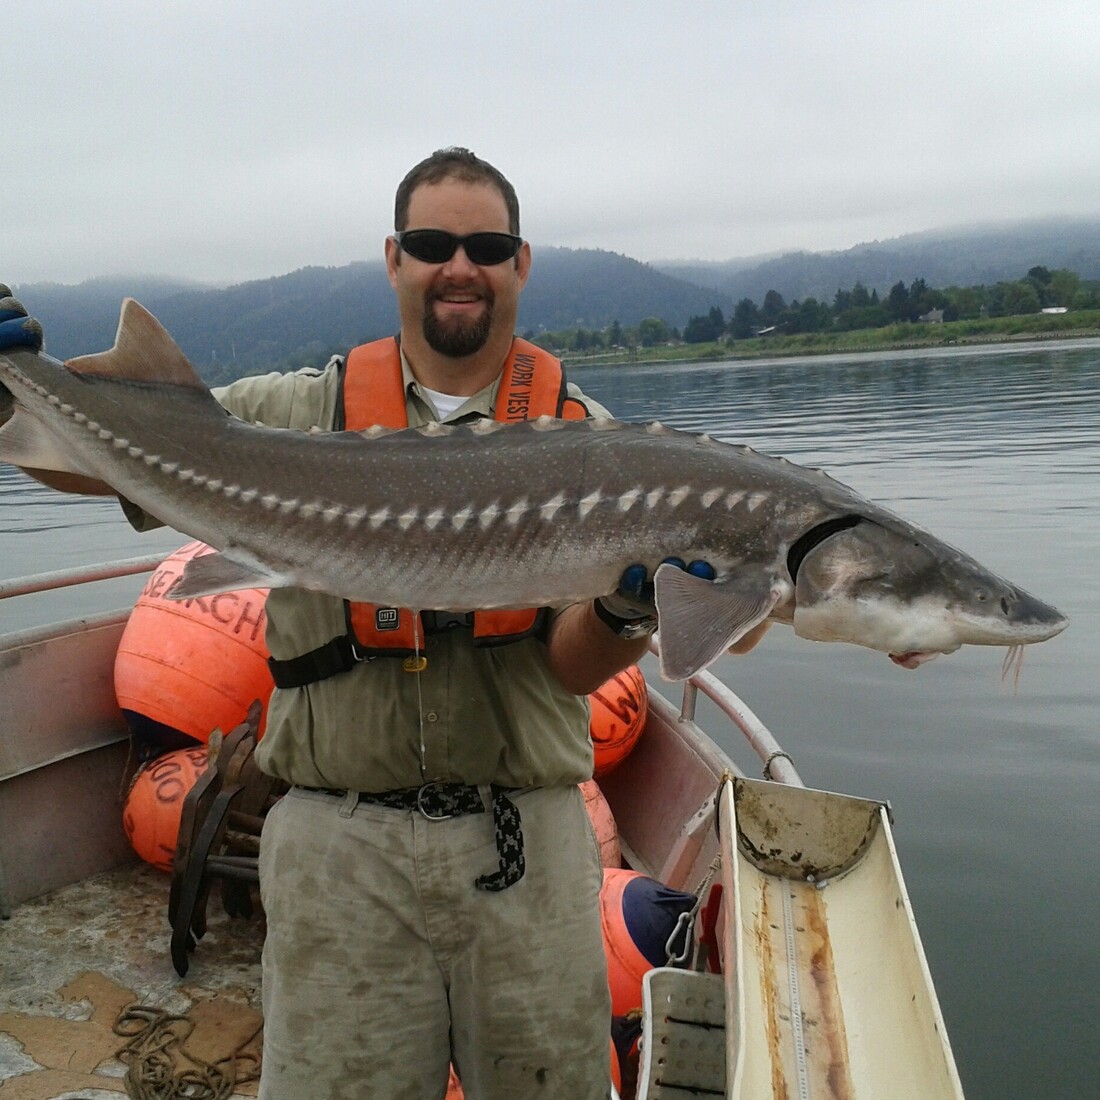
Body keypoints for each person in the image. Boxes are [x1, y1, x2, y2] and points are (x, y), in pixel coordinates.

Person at [0, 148, 741, 1099]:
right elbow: (108, 463)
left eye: (487, 245)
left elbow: (568, 670)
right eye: (434, 244)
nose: (459, 265)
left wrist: (632, 607)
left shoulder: (595, 447)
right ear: (395, 259)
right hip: (336, 850)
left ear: (522, 263)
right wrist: (14, 392)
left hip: (524, 853)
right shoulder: (296, 414)